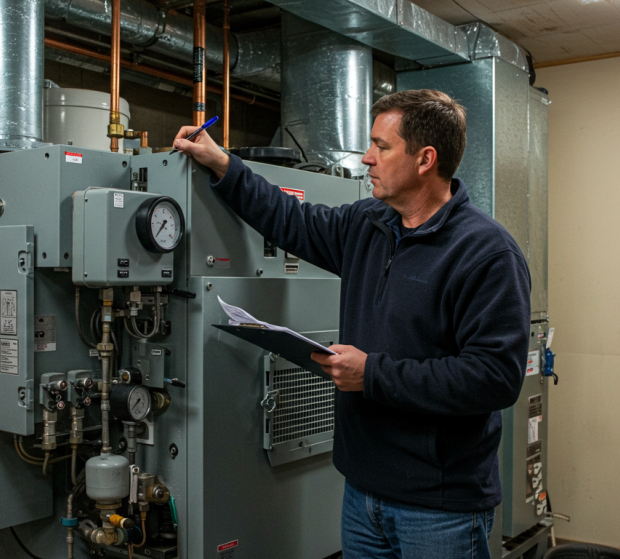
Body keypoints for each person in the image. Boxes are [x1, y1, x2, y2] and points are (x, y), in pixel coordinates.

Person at [173, 89, 530, 559]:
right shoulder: (369, 224)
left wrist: (373, 374)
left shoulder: (486, 254)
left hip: (439, 508)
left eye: (382, 146)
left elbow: (494, 379)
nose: (367, 158)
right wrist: (223, 164)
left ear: (425, 159)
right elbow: (290, 220)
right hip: (363, 493)